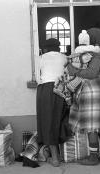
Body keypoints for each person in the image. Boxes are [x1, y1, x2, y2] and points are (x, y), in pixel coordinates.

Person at [67, 28, 100, 165]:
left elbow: (91, 73)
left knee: (91, 125)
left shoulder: (93, 53)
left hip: (92, 89)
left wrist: (73, 69)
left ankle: (93, 157)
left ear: (91, 39)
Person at [36, 38, 68, 167]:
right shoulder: (64, 57)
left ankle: (55, 158)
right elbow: (67, 74)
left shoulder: (41, 58)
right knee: (61, 120)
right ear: (58, 47)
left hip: (45, 90)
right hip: (62, 88)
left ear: (46, 48)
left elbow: (38, 78)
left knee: (48, 121)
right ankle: (60, 154)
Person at [53, 30, 100, 105]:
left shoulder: (83, 54)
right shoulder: (91, 54)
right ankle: (67, 98)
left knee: (66, 85)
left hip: (79, 78)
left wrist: (72, 69)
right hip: (80, 78)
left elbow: (91, 73)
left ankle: (67, 99)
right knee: (67, 86)